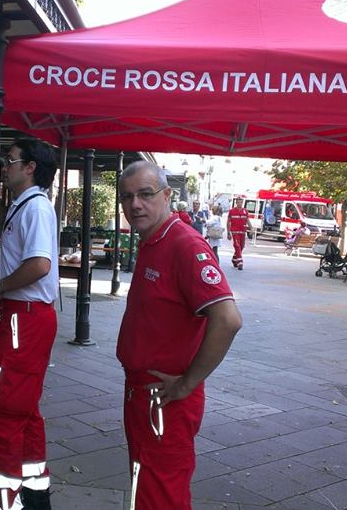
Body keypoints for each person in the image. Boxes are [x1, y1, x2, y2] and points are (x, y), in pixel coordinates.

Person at [116, 161, 242, 510]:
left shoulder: (183, 244)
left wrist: (187, 383)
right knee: (148, 485)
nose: (135, 204)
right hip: (144, 392)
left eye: (145, 194)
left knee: (160, 493)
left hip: (165, 397)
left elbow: (228, 319)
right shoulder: (155, 239)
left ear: (167, 195)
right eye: (127, 197)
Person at [0, 139, 60, 510]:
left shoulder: (35, 208)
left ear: (30, 167)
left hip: (23, 319)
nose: (4, 166)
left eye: (9, 160)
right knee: (25, 409)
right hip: (26, 319)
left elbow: (39, 265)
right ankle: (34, 491)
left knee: (3, 413)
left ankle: (6, 501)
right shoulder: (26, 205)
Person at [226, 198, 253, 270]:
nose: (239, 204)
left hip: (243, 232)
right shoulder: (232, 211)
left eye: (241, 202)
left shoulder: (245, 211)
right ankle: (240, 262)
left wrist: (251, 228)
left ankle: (234, 259)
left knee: (242, 246)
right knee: (237, 245)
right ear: (236, 203)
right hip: (235, 232)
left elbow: (247, 220)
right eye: (238, 202)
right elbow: (228, 222)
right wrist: (228, 232)